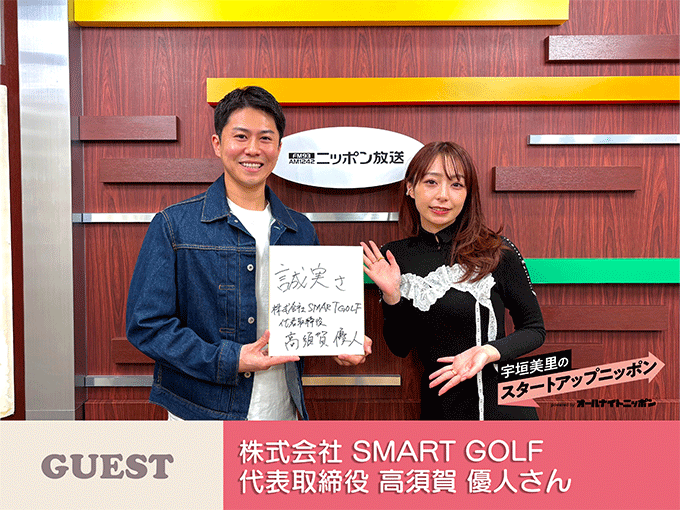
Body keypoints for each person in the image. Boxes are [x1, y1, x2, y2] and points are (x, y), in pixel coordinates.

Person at [127, 86, 371, 420]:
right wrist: (230, 360)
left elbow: (310, 317)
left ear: (279, 148)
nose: (253, 149)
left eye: (265, 138)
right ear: (218, 144)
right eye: (241, 136)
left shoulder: (300, 230)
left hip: (282, 410)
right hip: (201, 414)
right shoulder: (174, 225)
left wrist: (340, 342)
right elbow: (147, 326)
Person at [362, 141, 544, 420]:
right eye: (431, 182)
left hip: (502, 410)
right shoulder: (395, 257)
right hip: (440, 408)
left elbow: (534, 329)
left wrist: (489, 352)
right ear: (410, 188)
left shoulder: (496, 250)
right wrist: (392, 296)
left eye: (456, 185)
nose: (443, 196)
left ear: (468, 194)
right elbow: (399, 347)